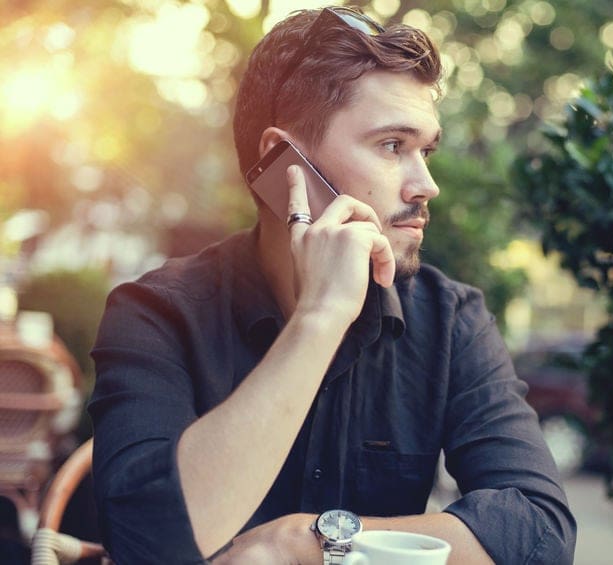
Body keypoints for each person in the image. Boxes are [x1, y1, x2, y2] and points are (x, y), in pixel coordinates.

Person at [88, 6, 576, 564]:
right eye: (393, 145)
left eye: (427, 150)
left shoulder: (452, 320)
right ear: (283, 162)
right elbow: (147, 541)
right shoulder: (155, 314)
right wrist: (319, 320)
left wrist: (299, 542)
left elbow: (538, 532)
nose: (427, 185)